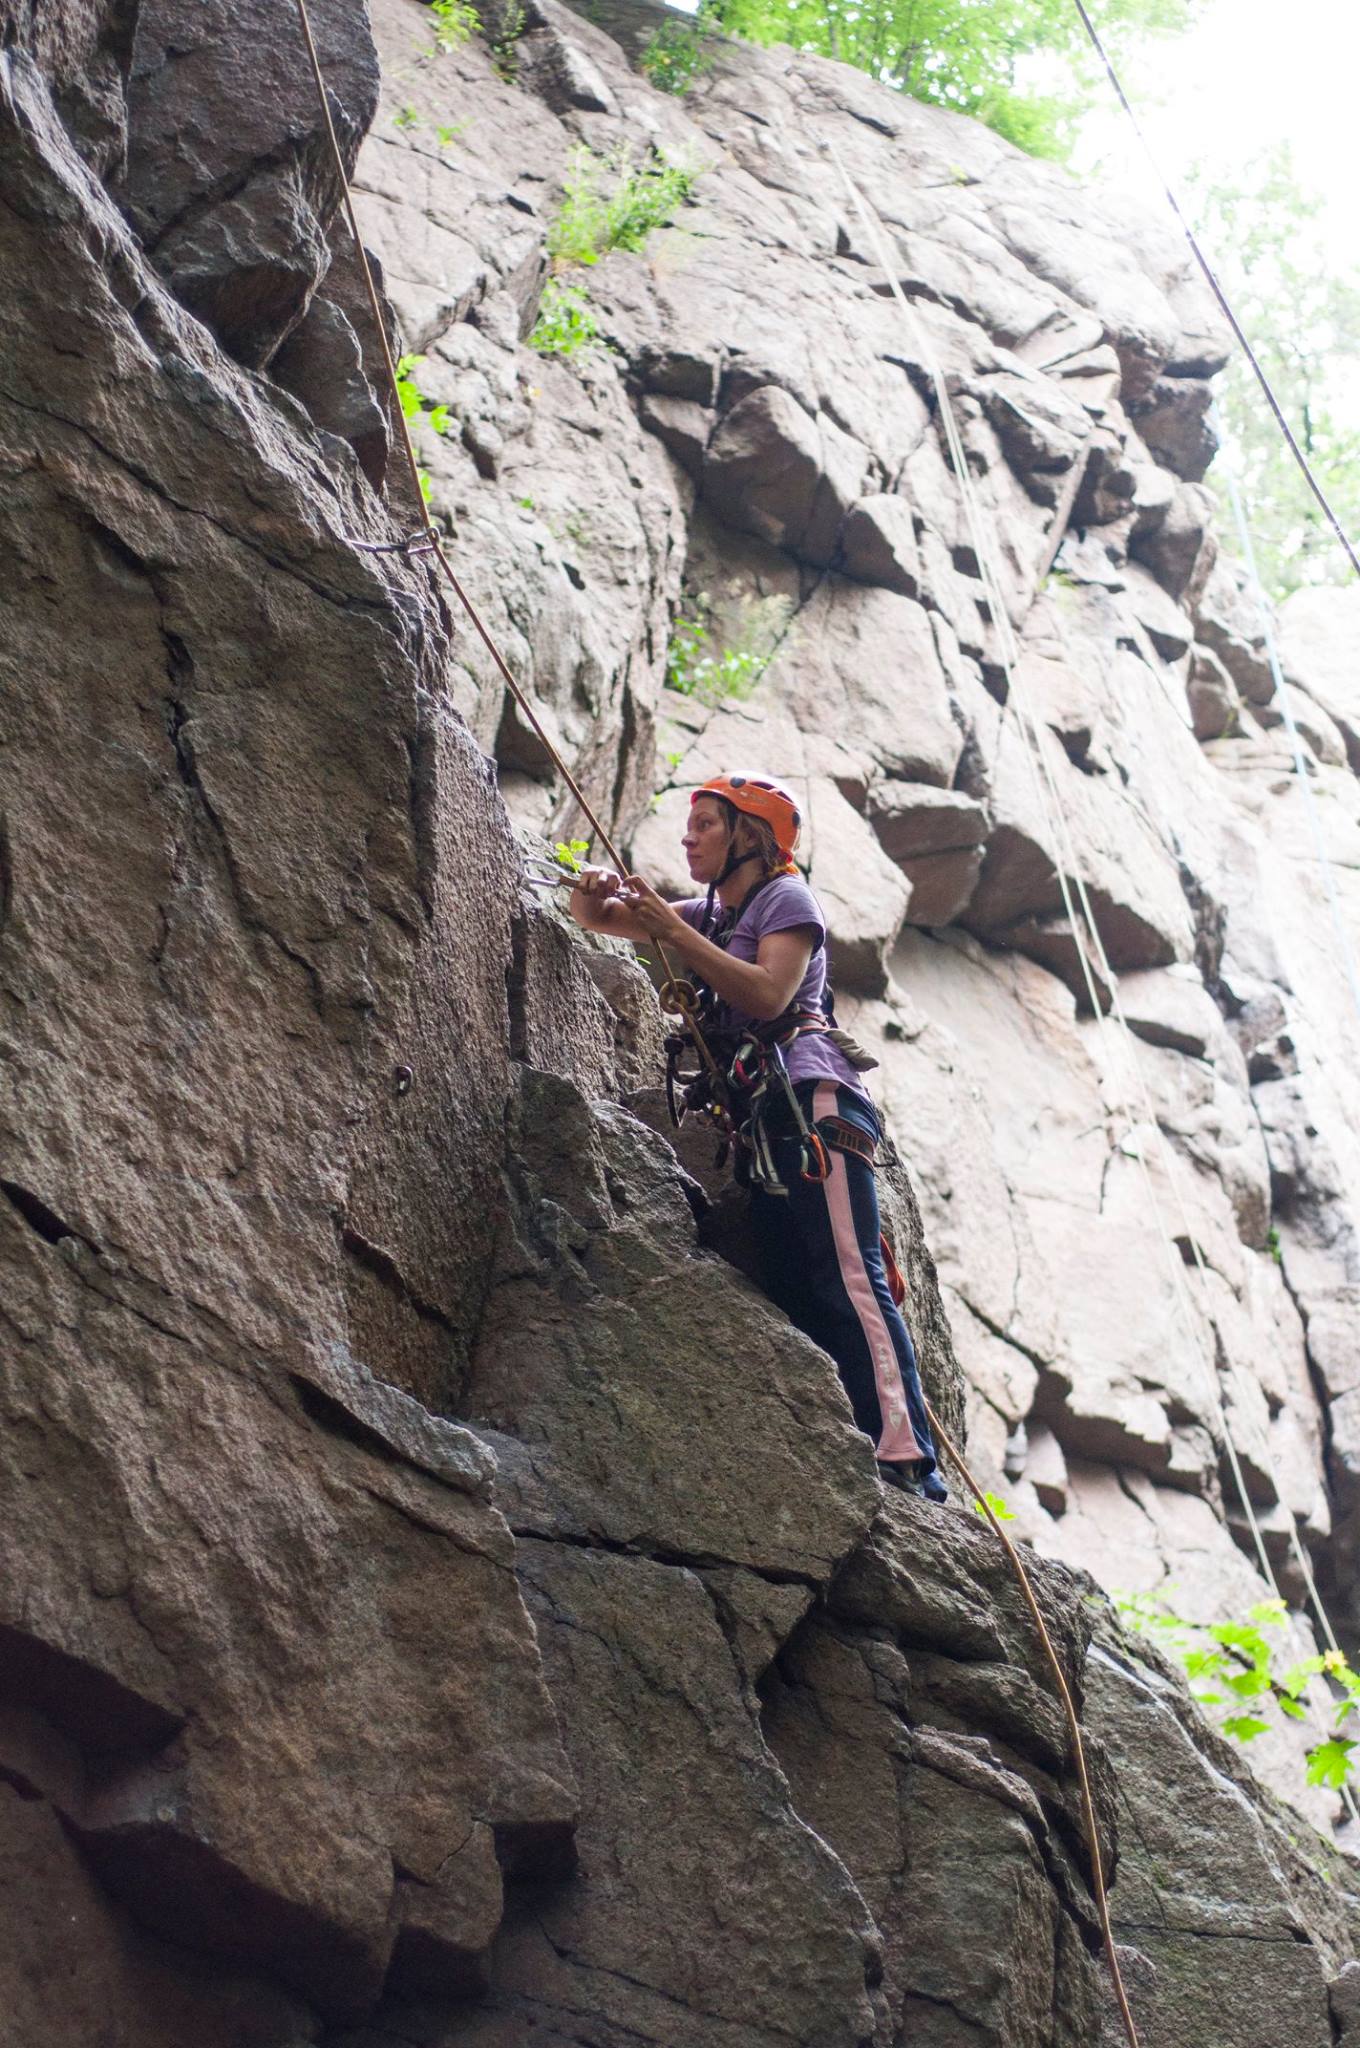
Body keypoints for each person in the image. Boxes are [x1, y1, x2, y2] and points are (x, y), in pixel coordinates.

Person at [569, 770, 946, 1501]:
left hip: (815, 1104)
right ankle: (849, 1453)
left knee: (850, 1274)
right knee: (800, 1288)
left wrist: (670, 928)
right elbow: (599, 920)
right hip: (766, 1123)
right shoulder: (712, 914)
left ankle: (905, 1458)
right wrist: (592, 893)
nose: (688, 835)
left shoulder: (786, 898)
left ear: (750, 836)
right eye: (690, 823)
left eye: (706, 823)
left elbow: (770, 992)